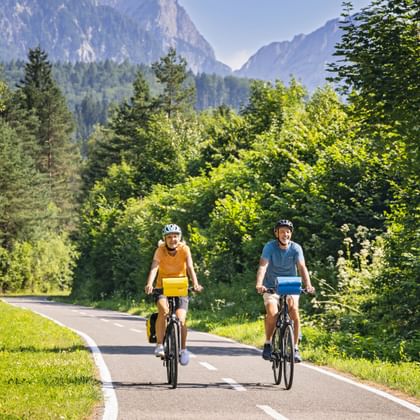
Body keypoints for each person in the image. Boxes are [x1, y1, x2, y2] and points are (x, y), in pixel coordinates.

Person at [255, 219, 315, 363]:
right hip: (272, 286)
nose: (285, 234)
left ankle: (294, 348)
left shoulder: (296, 248)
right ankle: (268, 343)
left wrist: (308, 285)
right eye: (282, 231)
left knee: (294, 310)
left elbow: (302, 267)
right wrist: (259, 284)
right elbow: (263, 266)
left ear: (291, 234)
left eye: (288, 232)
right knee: (272, 312)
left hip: (290, 285)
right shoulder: (269, 247)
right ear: (276, 233)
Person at [144, 223, 202, 366]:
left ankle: (183, 349)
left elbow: (190, 267)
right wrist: (149, 284)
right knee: (163, 311)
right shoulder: (160, 250)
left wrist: (195, 283)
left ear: (179, 238)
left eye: (175, 236)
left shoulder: (185, 249)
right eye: (169, 237)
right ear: (165, 239)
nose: (172, 239)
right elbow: (154, 268)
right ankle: (159, 345)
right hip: (162, 287)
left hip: (180, 287)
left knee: (181, 319)